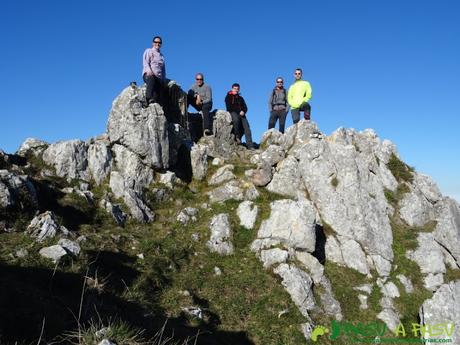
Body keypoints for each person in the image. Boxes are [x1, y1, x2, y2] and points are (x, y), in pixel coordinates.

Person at [225, 83, 255, 150]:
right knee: (236, 120)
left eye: (237, 89)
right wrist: (239, 111)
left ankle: (250, 145)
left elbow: (245, 107)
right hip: (233, 112)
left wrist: (243, 111)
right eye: (234, 89)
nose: (236, 90)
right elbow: (229, 107)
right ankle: (237, 136)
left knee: (247, 127)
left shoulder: (241, 98)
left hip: (242, 114)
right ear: (232, 89)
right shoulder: (228, 97)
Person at [142, 36, 166, 105]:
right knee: (151, 79)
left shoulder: (162, 56)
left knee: (159, 93)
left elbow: (163, 70)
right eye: (156, 42)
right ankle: (147, 98)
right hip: (149, 75)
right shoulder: (149, 51)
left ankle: (156, 103)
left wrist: (163, 79)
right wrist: (149, 71)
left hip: (158, 78)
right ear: (153, 43)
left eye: (159, 42)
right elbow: (145, 62)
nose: (157, 44)